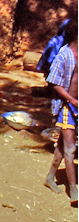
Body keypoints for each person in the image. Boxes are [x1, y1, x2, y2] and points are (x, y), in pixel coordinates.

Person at [44, 18, 78, 204]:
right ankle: (73, 190)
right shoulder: (64, 55)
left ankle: (50, 177)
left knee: (64, 145)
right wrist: (72, 100)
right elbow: (54, 82)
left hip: (77, 106)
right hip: (66, 106)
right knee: (71, 148)